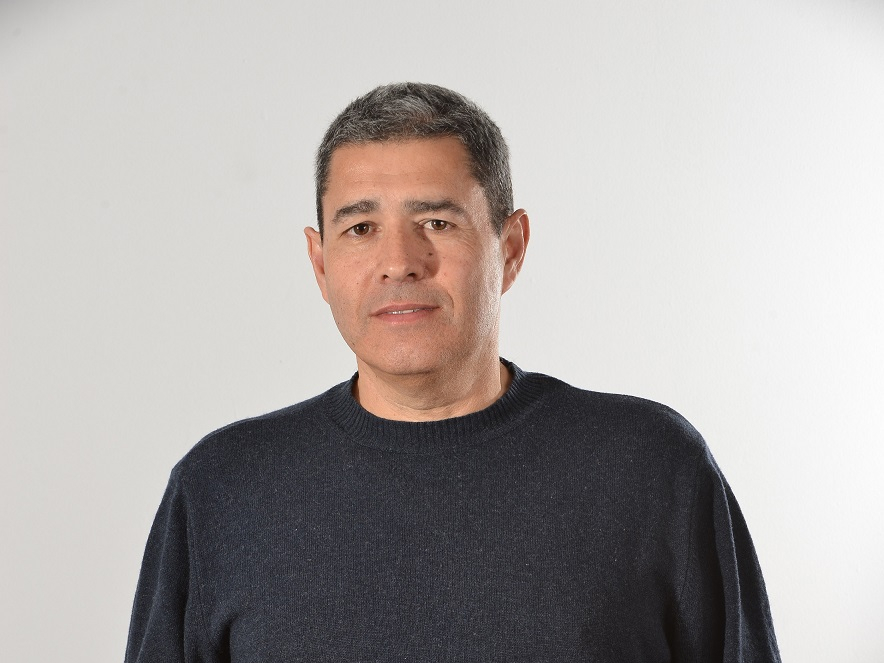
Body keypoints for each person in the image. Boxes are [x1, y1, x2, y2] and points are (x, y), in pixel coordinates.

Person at [125, 82, 780, 662]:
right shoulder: (221, 489)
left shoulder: (651, 467)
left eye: (436, 221)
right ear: (320, 264)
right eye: (360, 229)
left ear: (511, 248)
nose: (399, 261)